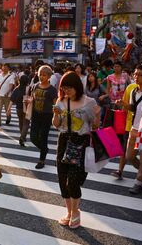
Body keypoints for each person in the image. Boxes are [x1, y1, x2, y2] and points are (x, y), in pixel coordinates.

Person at [52, 71, 99, 229]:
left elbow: (96, 126)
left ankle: (76, 212)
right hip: (64, 140)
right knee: (62, 178)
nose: (67, 91)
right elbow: (56, 125)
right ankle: (69, 212)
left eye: (70, 88)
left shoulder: (89, 102)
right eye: (64, 88)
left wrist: (98, 116)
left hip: (81, 141)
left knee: (73, 180)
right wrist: (56, 115)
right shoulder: (61, 100)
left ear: (77, 87)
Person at [25, 65, 58, 169]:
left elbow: (55, 103)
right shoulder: (35, 86)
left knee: (43, 137)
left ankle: (41, 160)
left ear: (49, 77)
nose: (41, 77)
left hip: (47, 116)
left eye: (44, 75)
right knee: (33, 137)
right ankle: (44, 149)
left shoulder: (52, 90)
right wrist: (29, 101)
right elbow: (32, 98)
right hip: (35, 114)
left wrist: (57, 114)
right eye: (40, 75)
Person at [11, 74, 30, 147]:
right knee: (26, 123)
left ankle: (22, 135)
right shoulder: (29, 88)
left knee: (20, 122)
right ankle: (22, 137)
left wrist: (9, 109)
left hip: (18, 108)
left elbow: (12, 99)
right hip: (26, 108)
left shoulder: (17, 88)